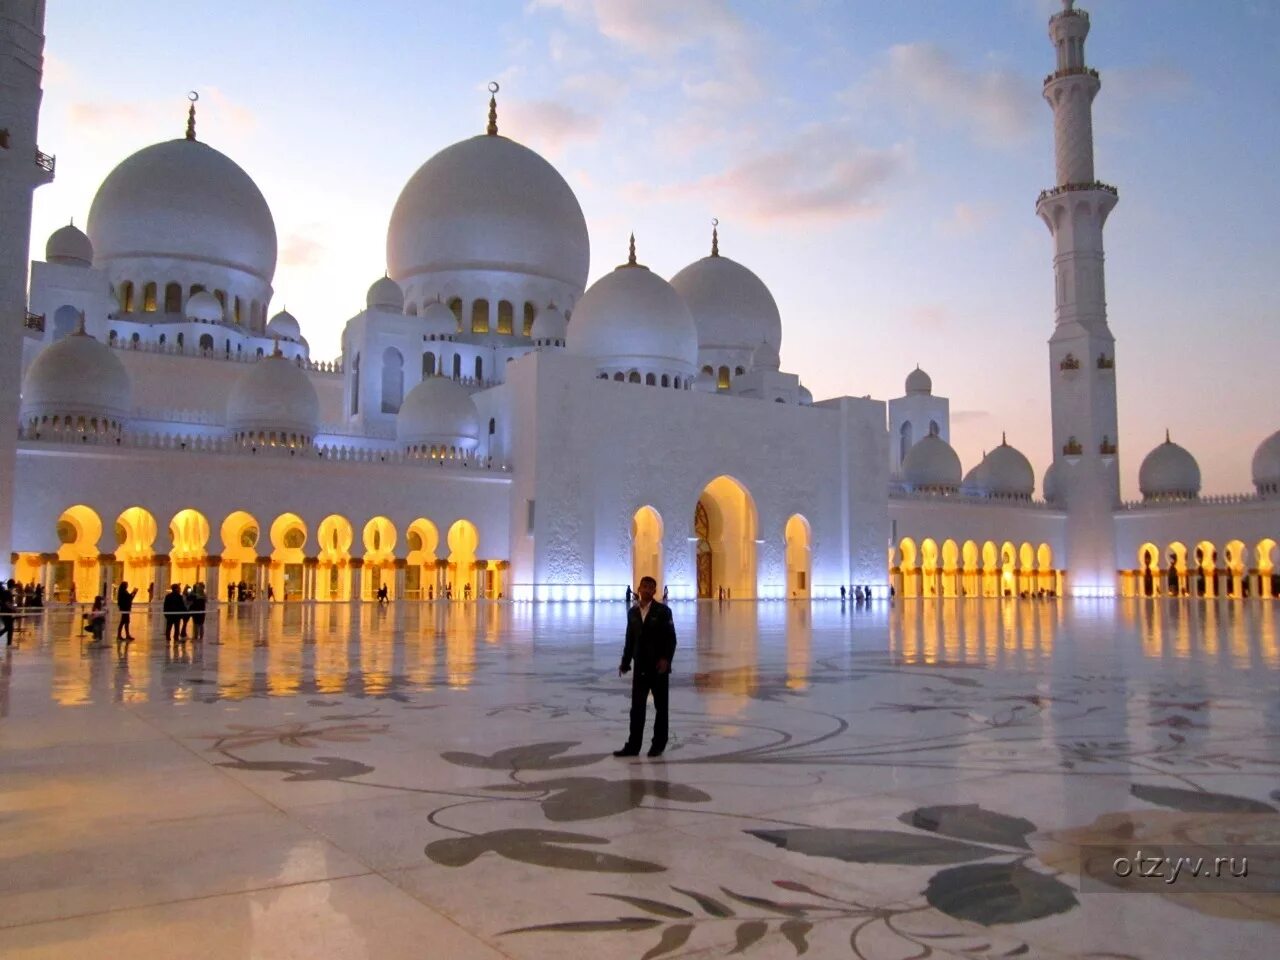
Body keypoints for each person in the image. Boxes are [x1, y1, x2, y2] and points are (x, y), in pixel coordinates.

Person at [615, 575, 677, 759]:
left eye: (651, 587)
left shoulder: (664, 612)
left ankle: (658, 744)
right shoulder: (633, 613)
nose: (647, 590)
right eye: (645, 586)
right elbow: (630, 640)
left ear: (655, 591)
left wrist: (666, 659)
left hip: (658, 668)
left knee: (661, 707)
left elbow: (671, 639)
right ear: (639, 588)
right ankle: (633, 746)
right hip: (640, 668)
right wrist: (626, 662)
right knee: (637, 709)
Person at [0, 579, 15, 646]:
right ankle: (9, 644)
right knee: (9, 628)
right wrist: (14, 608)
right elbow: (7, 603)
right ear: (12, 586)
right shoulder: (7, 593)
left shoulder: (8, 593)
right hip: (5, 613)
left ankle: (9, 644)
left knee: (9, 628)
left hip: (7, 613)